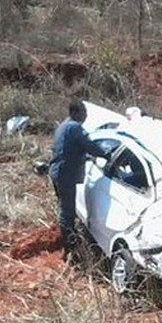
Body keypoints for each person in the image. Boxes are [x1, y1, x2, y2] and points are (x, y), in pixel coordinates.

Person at [49, 99, 108, 261]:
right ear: (76, 113)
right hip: (65, 174)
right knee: (67, 213)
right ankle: (70, 250)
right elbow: (89, 145)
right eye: (84, 113)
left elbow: (71, 149)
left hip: (58, 172)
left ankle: (68, 242)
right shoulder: (75, 127)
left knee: (64, 207)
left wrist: (87, 157)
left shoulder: (64, 125)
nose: (86, 116)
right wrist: (106, 154)